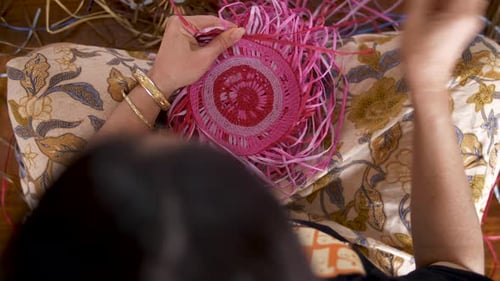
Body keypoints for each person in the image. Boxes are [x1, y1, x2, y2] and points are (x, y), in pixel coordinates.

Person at [1, 0, 493, 280]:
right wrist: (428, 84)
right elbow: (455, 267)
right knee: (482, 74)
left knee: (48, 76)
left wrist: (158, 87)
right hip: (373, 241)